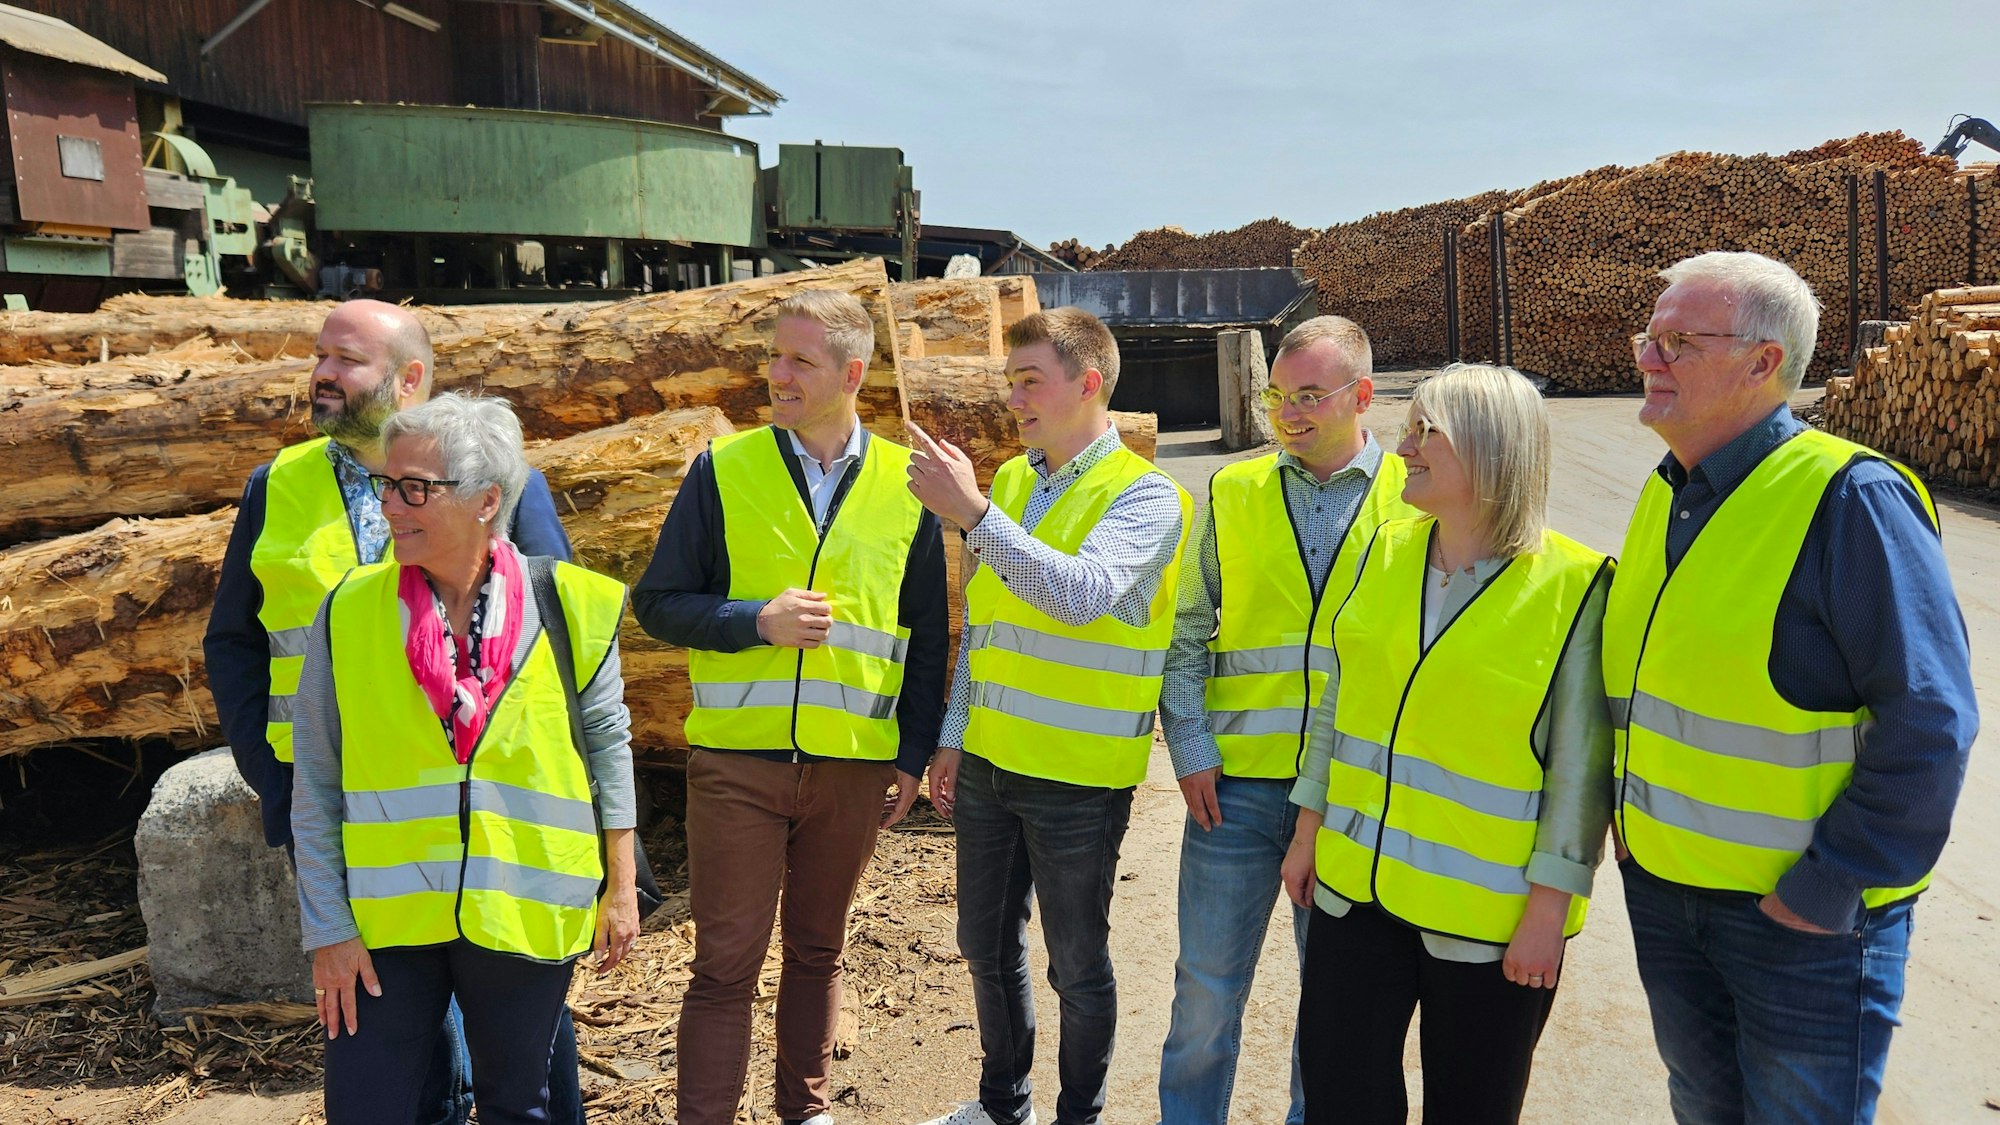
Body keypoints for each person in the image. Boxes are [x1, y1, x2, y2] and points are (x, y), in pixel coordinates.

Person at [1611, 251, 1977, 1124]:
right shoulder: (1669, 494)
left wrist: (1825, 890)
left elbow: (1929, 720)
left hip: (1800, 926)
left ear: (1764, 362)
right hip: (1670, 895)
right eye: (1648, 339)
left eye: (1677, 342)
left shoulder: (1852, 498)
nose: (1649, 359)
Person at [202, 299, 586, 1125]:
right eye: (320, 356)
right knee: (387, 1049)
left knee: (521, 1060)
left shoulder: (501, 485)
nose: (323, 374)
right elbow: (232, 642)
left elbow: (565, 646)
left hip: (494, 821)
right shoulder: (278, 488)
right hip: (348, 815)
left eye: (347, 359)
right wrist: (274, 775)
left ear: (410, 380)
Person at [630, 289, 948, 1125]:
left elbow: (924, 631)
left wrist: (911, 754)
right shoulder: (723, 469)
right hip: (739, 763)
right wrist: (753, 621)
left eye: (799, 361)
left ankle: (804, 1111)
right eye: (774, 356)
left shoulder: (907, 484)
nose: (777, 374)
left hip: (850, 765)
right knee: (725, 964)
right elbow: (657, 602)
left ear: (851, 373)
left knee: (818, 948)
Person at [290, 392, 640, 1125]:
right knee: (368, 1108)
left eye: (415, 488)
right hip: (384, 924)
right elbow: (317, 780)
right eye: (389, 483)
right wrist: (327, 928)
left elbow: (608, 747)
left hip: (523, 906)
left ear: (486, 499)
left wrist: (621, 885)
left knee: (525, 1108)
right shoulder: (348, 610)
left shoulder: (572, 604)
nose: (391, 505)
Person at [1280, 364, 1615, 1125]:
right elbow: (1340, 700)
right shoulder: (1385, 548)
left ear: (1493, 449)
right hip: (1354, 887)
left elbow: (1581, 771)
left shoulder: (1576, 585)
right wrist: (1308, 830)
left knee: (1473, 1109)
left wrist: (1548, 912)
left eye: (1428, 432)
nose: (1405, 448)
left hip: (1489, 920)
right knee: (1339, 1095)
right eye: (1409, 430)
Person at [906, 307, 1191, 1125]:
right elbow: (985, 627)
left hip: (1079, 778)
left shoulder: (1149, 497)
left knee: (1076, 964)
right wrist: (954, 737)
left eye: (1030, 381)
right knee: (985, 947)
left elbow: (1080, 594)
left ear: (1088, 382)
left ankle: (1079, 1117)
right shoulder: (1011, 481)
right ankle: (1004, 1107)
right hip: (993, 765)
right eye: (1011, 382)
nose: (1014, 399)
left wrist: (975, 516)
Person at [1155, 315, 1418, 1125]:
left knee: (1333, 1010)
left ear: (1363, 395)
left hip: (1349, 801)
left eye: (1310, 395)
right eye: (1277, 394)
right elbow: (1187, 629)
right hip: (1230, 792)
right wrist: (1192, 746)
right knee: (1203, 997)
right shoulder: (1232, 491)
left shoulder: (1413, 498)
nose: (1288, 412)